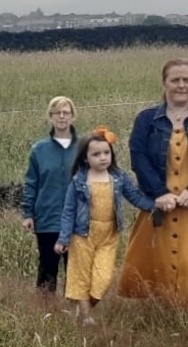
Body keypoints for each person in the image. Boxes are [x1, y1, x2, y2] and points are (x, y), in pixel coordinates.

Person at [118, 58, 188, 310]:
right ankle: (167, 313)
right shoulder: (146, 119)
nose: (181, 85)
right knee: (163, 259)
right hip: (161, 202)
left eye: (186, 80)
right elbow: (139, 157)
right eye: (175, 80)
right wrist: (159, 193)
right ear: (164, 83)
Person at [54, 127, 154, 326]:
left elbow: (134, 197)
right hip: (82, 234)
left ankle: (83, 310)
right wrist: (63, 238)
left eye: (106, 153)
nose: (102, 158)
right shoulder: (79, 181)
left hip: (109, 235)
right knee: (81, 276)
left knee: (103, 278)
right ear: (85, 158)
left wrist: (156, 205)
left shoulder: (118, 177)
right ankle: (86, 318)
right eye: (96, 154)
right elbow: (68, 212)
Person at [21, 96, 79, 296]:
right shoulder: (39, 150)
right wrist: (28, 213)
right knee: (47, 268)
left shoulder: (84, 147)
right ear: (51, 117)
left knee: (76, 268)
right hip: (47, 217)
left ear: (72, 117)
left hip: (77, 219)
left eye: (66, 112)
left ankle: (77, 313)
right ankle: (46, 313)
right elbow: (31, 183)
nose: (61, 117)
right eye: (57, 113)